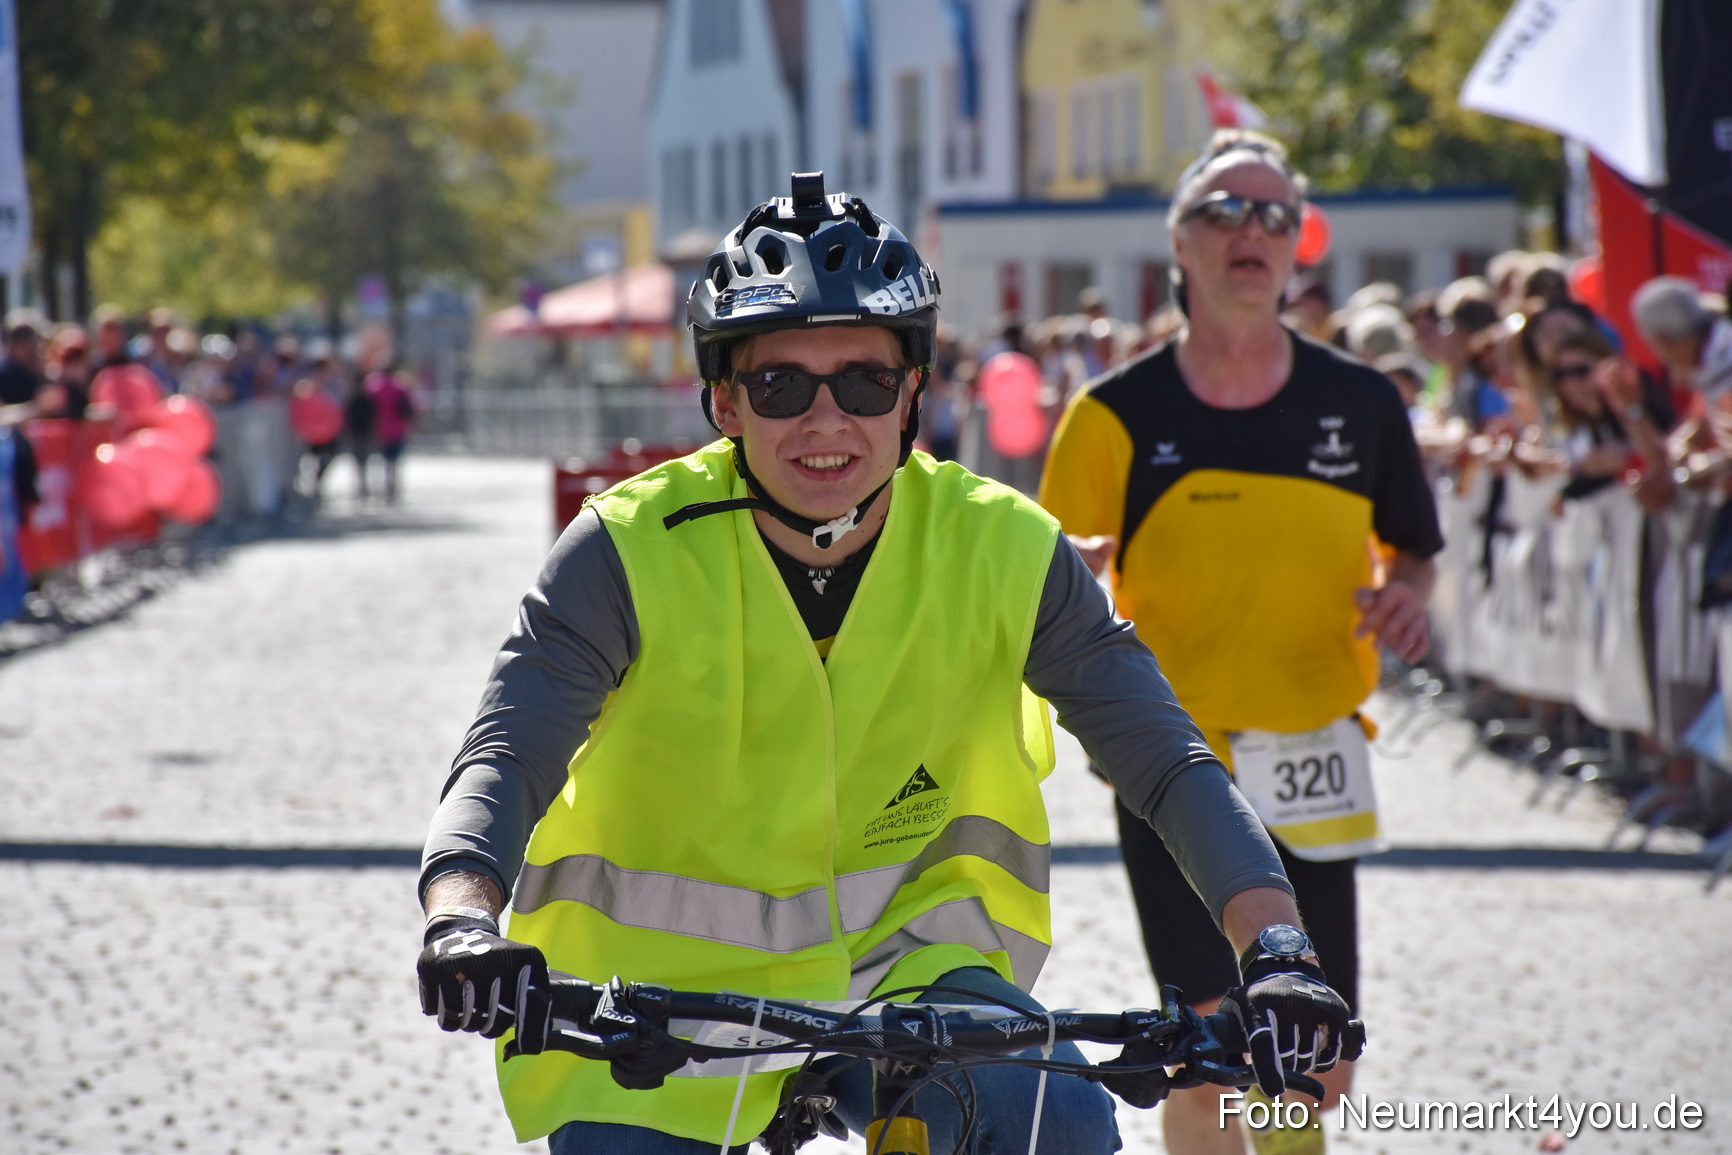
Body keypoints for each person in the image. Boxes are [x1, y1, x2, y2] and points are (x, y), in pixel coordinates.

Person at [416, 172, 1354, 1155]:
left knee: (1058, 1120)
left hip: (911, 983)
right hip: (653, 1015)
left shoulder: (1003, 547)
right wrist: (460, 920)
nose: (826, 421)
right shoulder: (621, 551)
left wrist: (1277, 949)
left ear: (910, 392)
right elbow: (504, 757)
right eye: (781, 386)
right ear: (725, 402)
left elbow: (1165, 760)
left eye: (863, 382)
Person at [1039, 131, 1441, 1155]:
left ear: (1297, 244)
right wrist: (1071, 577)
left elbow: (1415, 555)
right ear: (1179, 239)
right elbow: (1045, 585)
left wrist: (1404, 598)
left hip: (1316, 748)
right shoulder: (1110, 415)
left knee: (1310, 1048)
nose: (1250, 229)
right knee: (1209, 1042)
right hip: (1174, 761)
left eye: (1272, 213)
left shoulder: (1359, 401)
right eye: (1224, 208)